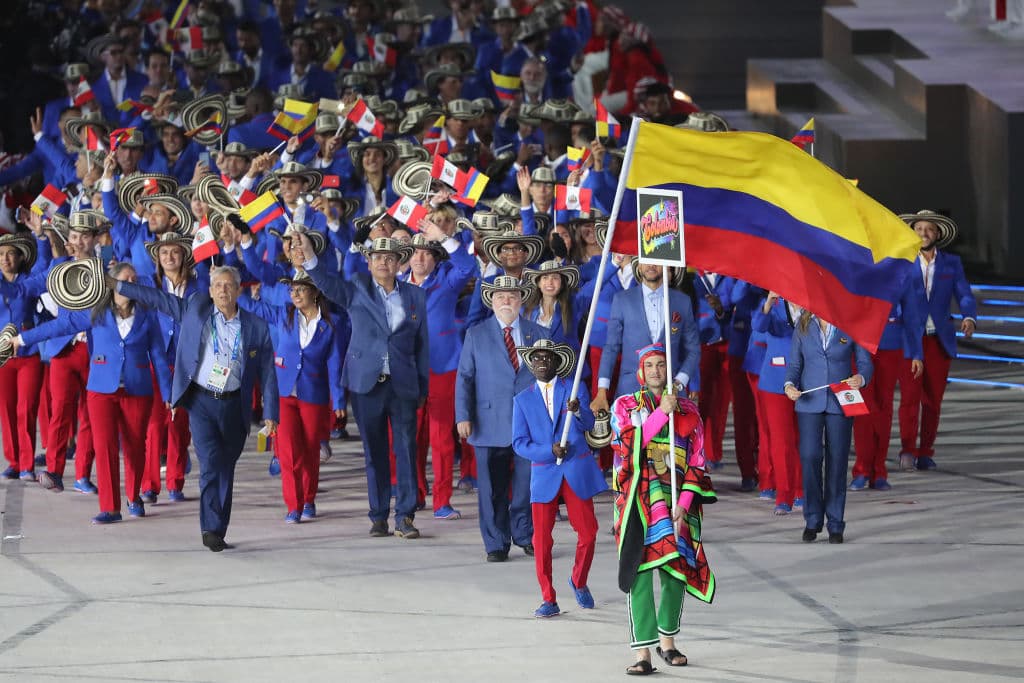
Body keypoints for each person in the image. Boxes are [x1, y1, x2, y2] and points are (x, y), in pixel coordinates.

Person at [114, 265, 279, 552]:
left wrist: (270, 413)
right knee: (211, 462)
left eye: (229, 286)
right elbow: (157, 298)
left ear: (239, 291)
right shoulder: (195, 308)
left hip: (234, 404)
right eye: (218, 286)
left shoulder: (255, 326)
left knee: (226, 467)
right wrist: (119, 286)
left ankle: (219, 525)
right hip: (201, 401)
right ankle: (209, 528)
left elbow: (267, 371)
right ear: (210, 290)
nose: (223, 290)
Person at [291, 232, 429, 540]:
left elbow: (422, 344)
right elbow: (328, 284)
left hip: (404, 383)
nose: (384, 262)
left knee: (406, 450)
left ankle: (405, 516)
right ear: (369, 263)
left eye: (390, 257)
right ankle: (378, 515)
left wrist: (423, 386)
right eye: (378, 257)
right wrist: (311, 258)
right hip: (367, 383)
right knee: (374, 451)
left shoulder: (415, 295)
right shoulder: (356, 288)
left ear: (399, 263)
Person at [16, 262, 172, 523]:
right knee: (105, 447)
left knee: (134, 448)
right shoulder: (95, 312)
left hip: (138, 389)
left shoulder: (148, 314)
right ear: (111, 283)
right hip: (101, 389)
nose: (131, 283)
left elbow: (158, 355)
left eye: (134, 279)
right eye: (126, 278)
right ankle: (110, 507)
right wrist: (22, 339)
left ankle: (134, 496)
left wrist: (168, 393)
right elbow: (58, 327)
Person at [610, 344, 716, 675]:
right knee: (639, 575)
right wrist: (661, 413)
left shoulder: (690, 412)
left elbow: (698, 461)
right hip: (637, 504)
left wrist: (684, 505)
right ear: (641, 372)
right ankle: (642, 652)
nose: (656, 370)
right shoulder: (625, 405)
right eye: (650, 365)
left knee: (675, 572)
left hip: (675, 505)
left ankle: (667, 643)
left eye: (661, 365)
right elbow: (628, 446)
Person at [456, 275, 551, 562]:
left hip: (530, 423)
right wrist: (463, 415)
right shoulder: (476, 333)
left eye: (511, 296)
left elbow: (551, 379)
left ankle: (524, 534)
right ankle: (496, 542)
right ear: (491, 302)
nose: (506, 301)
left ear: (521, 300)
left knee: (526, 485)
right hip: (487, 421)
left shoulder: (538, 333)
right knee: (490, 488)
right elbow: (465, 378)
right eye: (500, 297)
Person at [239, 270, 345, 523]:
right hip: (283, 393)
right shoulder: (283, 314)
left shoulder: (331, 325)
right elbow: (252, 306)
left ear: (315, 292)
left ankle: (308, 499)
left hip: (313, 395)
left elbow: (334, 364)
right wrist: (232, 287)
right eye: (292, 289)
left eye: (301, 288)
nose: (295, 293)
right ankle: (293, 506)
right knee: (287, 453)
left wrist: (338, 399)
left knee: (310, 451)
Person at [512, 340, 607, 618]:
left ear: (557, 362)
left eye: (546, 358)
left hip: (576, 470)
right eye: (536, 358)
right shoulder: (522, 399)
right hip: (544, 474)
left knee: (588, 532)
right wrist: (547, 450)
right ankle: (548, 598)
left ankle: (578, 580)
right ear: (530, 364)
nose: (541, 362)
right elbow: (518, 443)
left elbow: (589, 424)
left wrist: (578, 411)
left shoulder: (574, 388)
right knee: (541, 540)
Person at [400, 227, 478, 520]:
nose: (419, 258)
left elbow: (468, 265)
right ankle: (417, 493)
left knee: (443, 439)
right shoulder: (396, 285)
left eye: (426, 253)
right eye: (415, 253)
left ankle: (442, 501)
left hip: (444, 368)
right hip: (408, 371)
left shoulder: (446, 282)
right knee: (412, 438)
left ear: (435, 259)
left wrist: (444, 236)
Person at [896, 210, 977, 471]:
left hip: (938, 341)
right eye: (919, 229)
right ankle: (907, 449)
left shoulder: (951, 263)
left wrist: (969, 317)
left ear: (937, 233)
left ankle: (925, 452)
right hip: (910, 339)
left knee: (933, 400)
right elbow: (894, 296)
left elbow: (964, 293)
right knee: (909, 397)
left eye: (928, 229)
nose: (923, 234)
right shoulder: (903, 262)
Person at [784, 312, 873, 544]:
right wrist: (789, 385)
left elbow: (865, 363)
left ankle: (835, 523)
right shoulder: (803, 325)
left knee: (837, 461)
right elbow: (794, 364)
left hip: (840, 402)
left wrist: (861, 378)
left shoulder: (850, 322)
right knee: (810, 456)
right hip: (809, 402)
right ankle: (812, 519)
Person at [592, 261, 700, 414]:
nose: (651, 265)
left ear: (667, 266)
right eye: (646, 261)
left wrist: (678, 384)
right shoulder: (622, 300)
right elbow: (611, 347)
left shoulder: (682, 301)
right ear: (639, 266)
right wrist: (602, 390)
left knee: (673, 439)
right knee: (632, 439)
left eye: (656, 261)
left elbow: (693, 350)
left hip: (670, 394)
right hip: (630, 392)